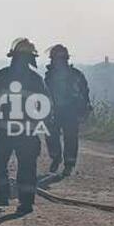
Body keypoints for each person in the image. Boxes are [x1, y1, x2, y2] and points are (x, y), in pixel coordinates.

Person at [0, 38, 49, 214]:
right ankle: (25, 203)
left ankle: (2, 198)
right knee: (26, 167)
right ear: (31, 59)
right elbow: (46, 106)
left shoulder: (2, 75)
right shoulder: (35, 79)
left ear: (13, 56)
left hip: (3, 131)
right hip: (26, 133)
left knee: (0, 165)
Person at [44, 44, 92, 177]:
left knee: (70, 137)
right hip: (53, 111)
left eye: (61, 58)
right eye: (56, 59)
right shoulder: (49, 76)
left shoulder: (76, 75)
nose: (58, 61)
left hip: (71, 110)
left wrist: (85, 108)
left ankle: (69, 164)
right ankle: (56, 158)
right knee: (51, 135)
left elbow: (84, 92)